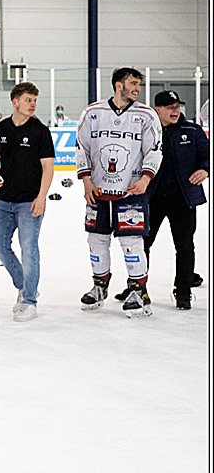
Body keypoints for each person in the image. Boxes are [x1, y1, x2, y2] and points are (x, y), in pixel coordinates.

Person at [75, 67, 163, 317]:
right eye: (132, 83)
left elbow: (155, 149)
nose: (136, 88)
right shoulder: (93, 113)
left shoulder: (146, 115)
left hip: (131, 192)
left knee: (132, 243)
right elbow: (81, 147)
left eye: (138, 84)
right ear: (118, 85)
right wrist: (86, 180)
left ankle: (139, 291)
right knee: (96, 241)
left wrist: (146, 178)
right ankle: (99, 286)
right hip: (98, 191)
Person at [117, 90, 207, 309]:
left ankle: (183, 291)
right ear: (158, 110)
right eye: (170, 107)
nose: (175, 111)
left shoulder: (192, 130)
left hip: (182, 199)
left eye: (177, 106)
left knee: (184, 246)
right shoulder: (146, 131)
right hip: (151, 198)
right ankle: (136, 287)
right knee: (142, 245)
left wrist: (205, 169)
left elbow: (207, 155)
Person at [0, 82, 55, 322]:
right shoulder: (1, 129)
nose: (32, 104)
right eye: (28, 100)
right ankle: (24, 284)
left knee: (29, 250)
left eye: (34, 100)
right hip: (4, 201)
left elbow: (48, 167)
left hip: (29, 203)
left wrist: (41, 197)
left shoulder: (40, 131)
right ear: (14, 102)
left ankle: (29, 300)